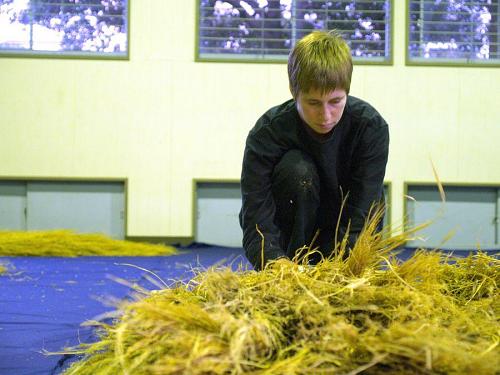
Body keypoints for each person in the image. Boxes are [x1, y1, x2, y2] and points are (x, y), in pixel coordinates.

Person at [239, 30, 389, 270]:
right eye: (313, 103)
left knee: (376, 198)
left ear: (347, 92)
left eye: (336, 102)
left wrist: (344, 267)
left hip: (346, 230)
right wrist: (274, 263)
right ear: (293, 91)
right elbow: (256, 216)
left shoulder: (370, 127)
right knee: (298, 171)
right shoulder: (266, 134)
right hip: (291, 238)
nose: (326, 116)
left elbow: (364, 205)